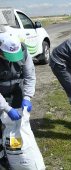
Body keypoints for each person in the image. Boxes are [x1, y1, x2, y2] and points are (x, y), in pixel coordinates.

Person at [0, 32, 36, 168]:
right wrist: (6, 108)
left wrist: (27, 97)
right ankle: (2, 156)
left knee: (16, 126)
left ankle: (15, 153)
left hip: (16, 92)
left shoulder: (23, 51)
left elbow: (30, 75)